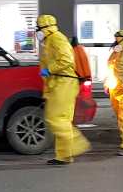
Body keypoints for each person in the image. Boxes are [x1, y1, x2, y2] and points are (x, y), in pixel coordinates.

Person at [36, 14, 91, 165]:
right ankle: (64, 156)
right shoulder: (49, 40)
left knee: (55, 118)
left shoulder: (56, 38)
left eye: (38, 28)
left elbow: (66, 59)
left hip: (64, 83)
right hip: (60, 83)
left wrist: (49, 70)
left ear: (45, 28)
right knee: (61, 119)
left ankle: (77, 145)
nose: (37, 31)